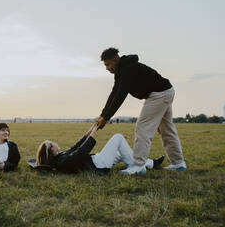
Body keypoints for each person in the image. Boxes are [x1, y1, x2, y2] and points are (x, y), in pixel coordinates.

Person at [95, 47, 186, 175]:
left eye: (108, 64)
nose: (107, 68)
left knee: (142, 128)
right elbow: (114, 93)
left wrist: (106, 118)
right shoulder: (121, 71)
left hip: (159, 94)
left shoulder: (127, 70)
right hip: (165, 92)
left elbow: (120, 96)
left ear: (115, 59)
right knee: (166, 129)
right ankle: (178, 163)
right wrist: (103, 115)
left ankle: (138, 166)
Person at [35, 124, 164, 175]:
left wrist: (88, 132)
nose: (55, 143)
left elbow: (75, 147)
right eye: (52, 143)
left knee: (120, 153)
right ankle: (134, 169)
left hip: (97, 159)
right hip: (99, 164)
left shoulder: (60, 156)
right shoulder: (61, 161)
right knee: (118, 137)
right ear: (51, 150)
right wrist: (93, 134)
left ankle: (150, 163)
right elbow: (80, 152)